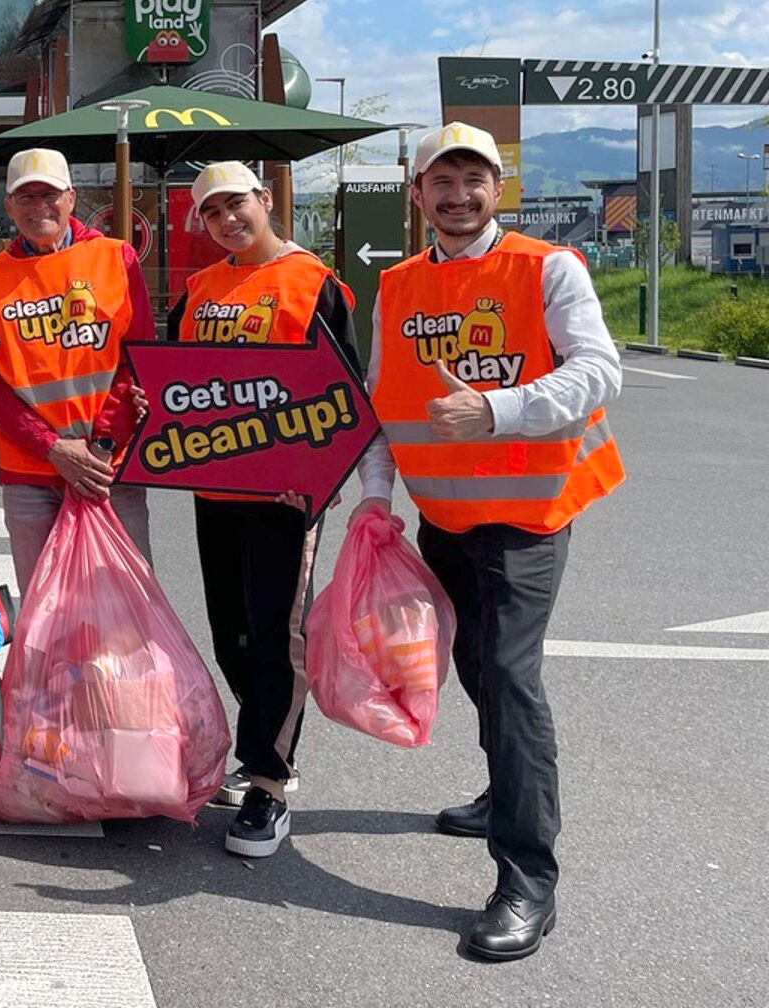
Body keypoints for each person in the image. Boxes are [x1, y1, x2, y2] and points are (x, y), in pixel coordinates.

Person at [353, 123, 623, 960]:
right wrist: (373, 501)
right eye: (442, 180)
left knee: (508, 677)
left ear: (496, 191)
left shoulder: (548, 268)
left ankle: (528, 880)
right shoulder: (396, 286)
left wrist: (497, 409)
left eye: (475, 180)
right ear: (417, 193)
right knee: (475, 667)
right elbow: (380, 403)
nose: (458, 195)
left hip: (529, 515)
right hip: (444, 520)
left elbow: (600, 371)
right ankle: (505, 791)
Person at [165, 161, 361, 859]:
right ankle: (260, 749)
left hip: (284, 497)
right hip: (214, 488)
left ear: (266, 200)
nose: (227, 220)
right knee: (231, 633)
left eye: (236, 205)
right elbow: (174, 386)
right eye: (213, 213)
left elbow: (345, 394)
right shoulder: (197, 290)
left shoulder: (314, 283)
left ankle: (270, 785)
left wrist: (317, 479)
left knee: (278, 636)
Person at [0, 147, 154, 590]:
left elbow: (139, 359)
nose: (38, 207)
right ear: (8, 206)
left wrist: (102, 446)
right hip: (29, 474)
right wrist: (52, 447)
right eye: (25, 197)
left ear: (71, 198)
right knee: (44, 611)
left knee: (126, 608)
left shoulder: (116, 258)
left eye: (48, 195)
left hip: (110, 468)